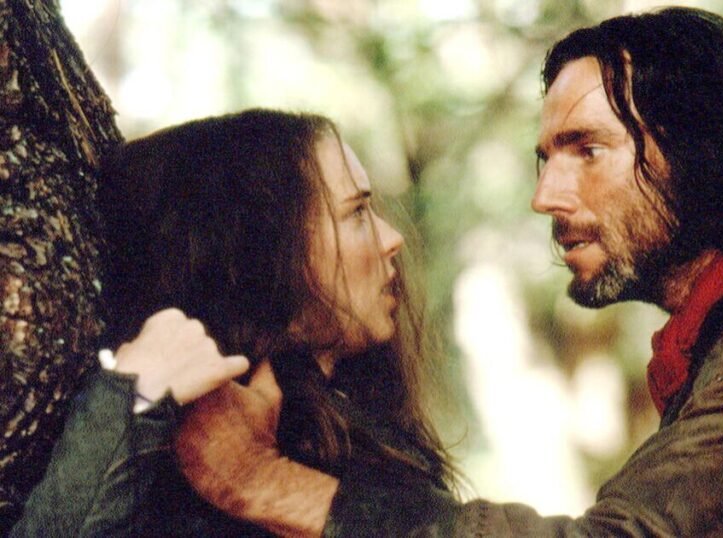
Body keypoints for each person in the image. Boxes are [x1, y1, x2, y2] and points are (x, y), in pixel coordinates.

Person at [176, 7, 723, 536]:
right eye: (546, 156)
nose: (546, 196)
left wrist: (265, 483)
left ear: (703, 153)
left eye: (587, 150)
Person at [10, 109, 456, 536]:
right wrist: (129, 402)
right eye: (356, 212)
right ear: (265, 255)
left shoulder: (354, 433)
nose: (392, 238)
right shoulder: (183, 472)